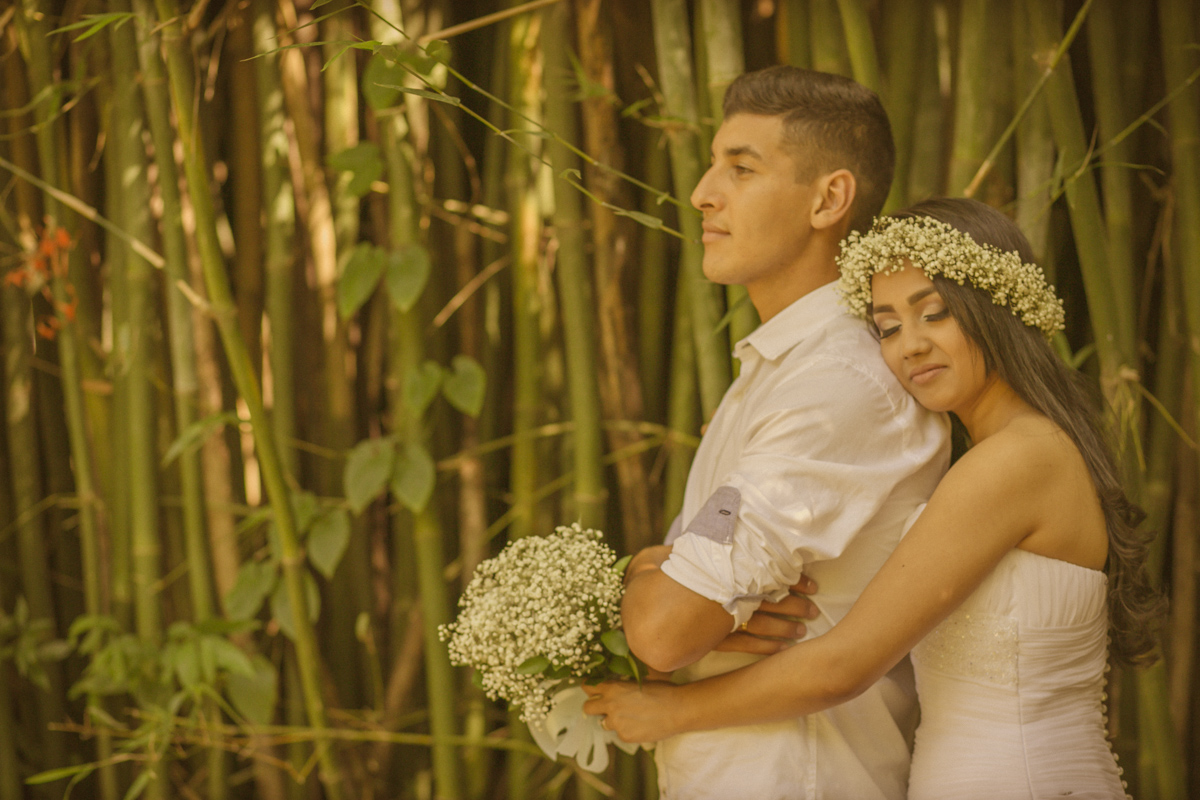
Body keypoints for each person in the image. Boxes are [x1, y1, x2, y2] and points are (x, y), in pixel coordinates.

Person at [585, 198, 1166, 800]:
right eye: (888, 328)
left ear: (999, 305)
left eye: (933, 314)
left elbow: (846, 665)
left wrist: (671, 711)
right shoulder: (1002, 455)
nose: (909, 345)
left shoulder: (1015, 462)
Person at [616, 66, 951, 799]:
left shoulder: (836, 383)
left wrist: (645, 582)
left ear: (828, 199)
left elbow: (666, 632)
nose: (702, 192)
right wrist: (646, 574)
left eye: (741, 168)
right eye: (714, 164)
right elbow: (673, 619)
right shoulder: (779, 370)